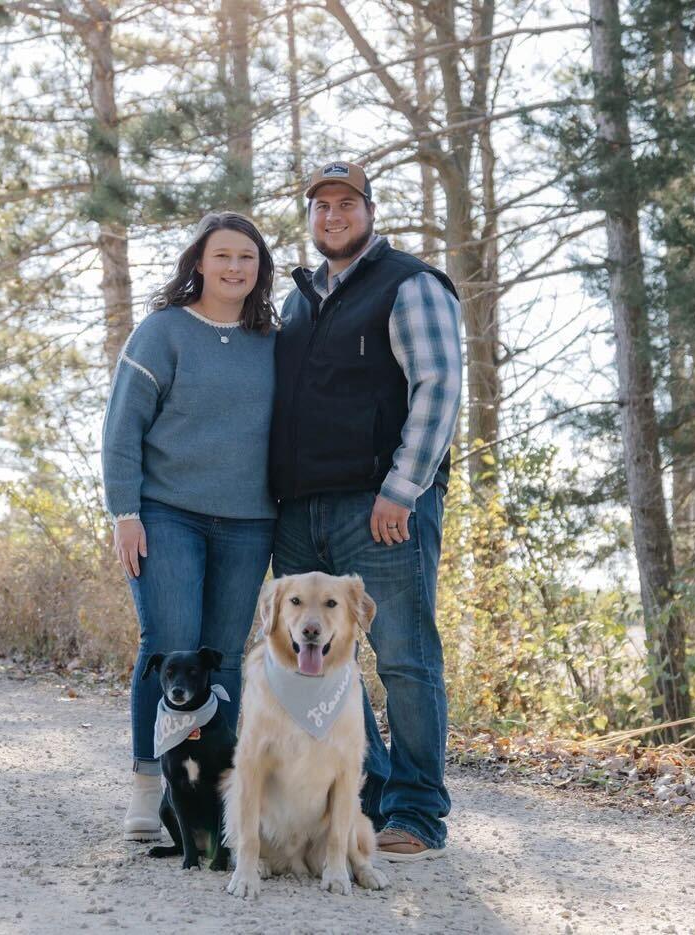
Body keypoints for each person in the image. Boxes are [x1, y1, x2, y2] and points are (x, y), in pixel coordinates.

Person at [269, 161, 463, 861]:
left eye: (345, 203)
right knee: (321, 659)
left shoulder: (409, 284)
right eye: (320, 205)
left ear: (370, 211)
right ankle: (373, 793)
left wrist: (402, 488)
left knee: (405, 658)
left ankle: (418, 809)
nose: (332, 216)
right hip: (301, 511)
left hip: (381, 507)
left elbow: (438, 386)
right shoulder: (298, 302)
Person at [101, 212, 280, 841]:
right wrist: (125, 513)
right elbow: (121, 427)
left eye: (247, 258)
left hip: (251, 522)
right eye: (222, 255)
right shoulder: (163, 332)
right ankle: (149, 786)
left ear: (260, 270)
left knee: (222, 659)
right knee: (170, 642)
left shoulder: (273, 341)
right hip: (167, 513)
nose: (235, 267)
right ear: (198, 263)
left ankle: (211, 797)